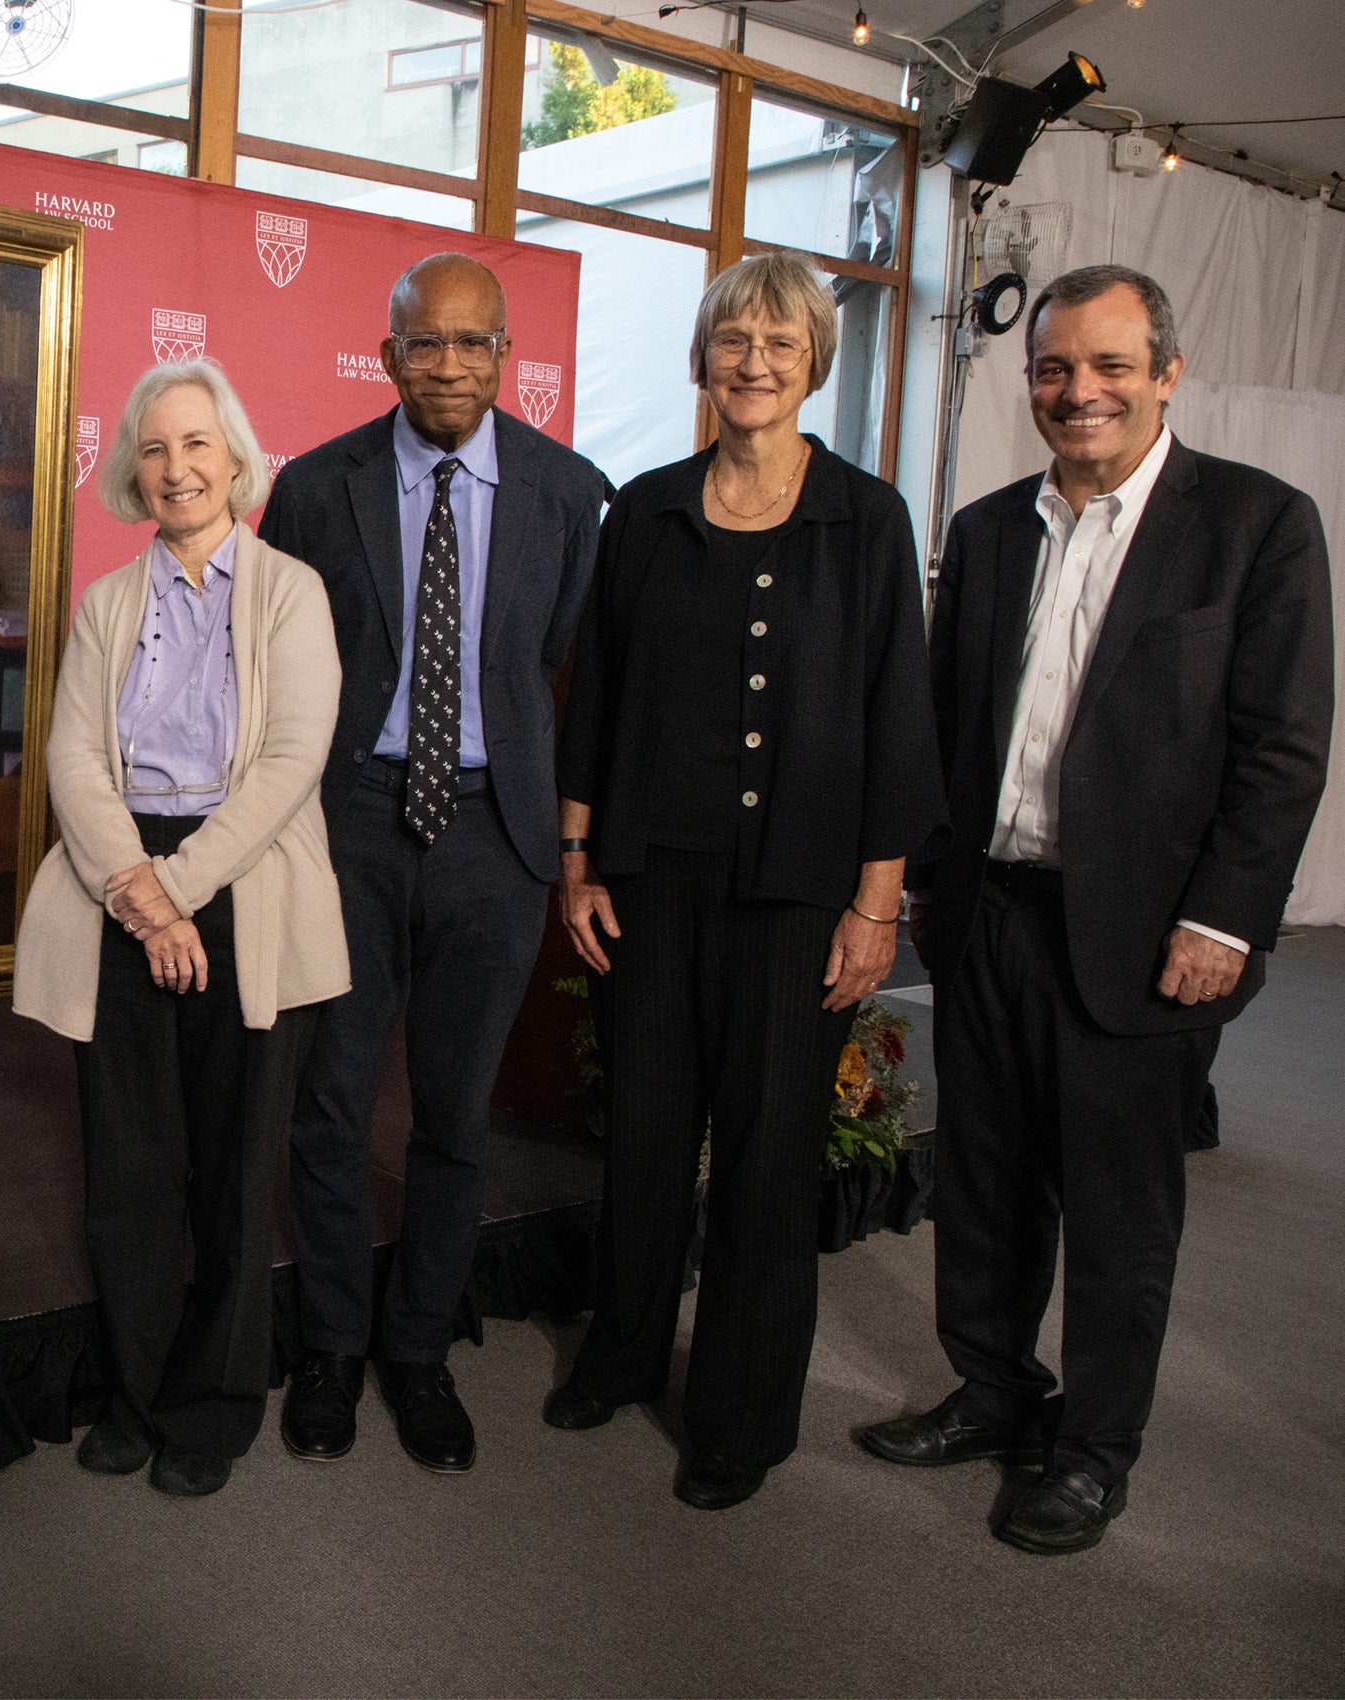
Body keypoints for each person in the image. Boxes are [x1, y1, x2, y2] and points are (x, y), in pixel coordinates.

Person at [857, 265, 1333, 1553]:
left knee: (1122, 1212)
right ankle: (994, 1390)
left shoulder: (1257, 524)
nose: (1082, 391)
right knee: (991, 1181)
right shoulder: (995, 521)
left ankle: (1094, 1448)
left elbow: (1284, 749)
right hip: (995, 913)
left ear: (1167, 372)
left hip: (1151, 935)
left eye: (1112, 365)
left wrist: (1225, 922)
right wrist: (928, 886)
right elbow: (949, 724)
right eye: (1059, 368)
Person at [544, 253, 946, 1509]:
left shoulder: (867, 517)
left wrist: (878, 902)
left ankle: (740, 1414)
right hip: (651, 880)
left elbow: (898, 717)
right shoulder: (649, 510)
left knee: (771, 1158)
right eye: (733, 339)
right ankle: (620, 1352)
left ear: (813, 358)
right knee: (649, 1137)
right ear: (703, 358)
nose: (753, 362)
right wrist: (576, 858)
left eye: (778, 341)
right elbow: (597, 693)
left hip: (799, 895)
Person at [258, 252, 609, 1473]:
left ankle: (418, 1351)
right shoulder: (313, 488)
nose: (449, 364)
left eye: (474, 343)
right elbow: (276, 657)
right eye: (426, 343)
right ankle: (330, 1348)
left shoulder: (572, 493)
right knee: (335, 1100)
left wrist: (556, 837)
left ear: (505, 354)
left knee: (457, 1114)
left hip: (492, 837)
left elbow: (554, 657)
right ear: (388, 349)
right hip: (346, 823)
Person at [15, 360, 347, 1497]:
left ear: (236, 458)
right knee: (130, 1170)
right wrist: (139, 892)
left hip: (245, 889)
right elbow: (70, 759)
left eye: (197, 443)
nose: (178, 467)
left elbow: (293, 764)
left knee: (233, 1171)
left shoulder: (293, 590)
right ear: (133, 471)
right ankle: (137, 1390)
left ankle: (212, 1403)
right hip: (123, 888)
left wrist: (182, 889)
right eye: (155, 449)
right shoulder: (109, 603)